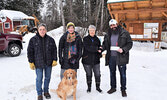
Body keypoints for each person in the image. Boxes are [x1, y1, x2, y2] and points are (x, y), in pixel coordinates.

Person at [101, 19, 133, 97]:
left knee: (122, 74)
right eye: (111, 25)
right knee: (112, 73)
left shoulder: (124, 33)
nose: (113, 27)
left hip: (121, 57)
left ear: (117, 24)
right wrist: (101, 48)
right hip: (111, 57)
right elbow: (105, 44)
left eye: (114, 25)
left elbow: (130, 44)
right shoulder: (108, 34)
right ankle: (113, 87)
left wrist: (123, 49)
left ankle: (123, 89)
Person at [27, 23, 57, 100]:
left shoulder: (50, 39)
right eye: (40, 29)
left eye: (44, 29)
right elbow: (30, 51)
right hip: (38, 63)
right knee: (39, 79)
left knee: (47, 78)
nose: (42, 31)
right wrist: (31, 62)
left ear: (46, 30)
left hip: (48, 62)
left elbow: (54, 50)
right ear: (38, 30)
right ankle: (39, 94)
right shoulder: (33, 40)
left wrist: (54, 59)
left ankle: (46, 91)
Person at [82, 25, 102, 93]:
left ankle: (98, 87)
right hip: (87, 60)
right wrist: (97, 49)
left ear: (95, 31)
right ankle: (89, 87)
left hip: (96, 60)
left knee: (97, 74)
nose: (92, 31)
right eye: (90, 30)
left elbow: (100, 47)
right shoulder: (85, 39)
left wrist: (100, 52)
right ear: (88, 31)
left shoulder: (97, 39)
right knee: (89, 74)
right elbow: (88, 48)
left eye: (93, 30)